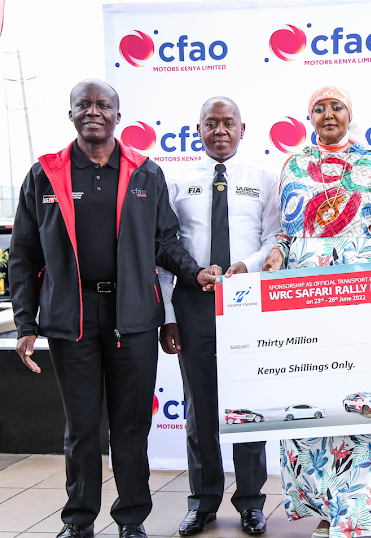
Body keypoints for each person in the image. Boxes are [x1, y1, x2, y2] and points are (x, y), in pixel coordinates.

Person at [9, 79, 218, 538]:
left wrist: (195, 272)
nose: (93, 111)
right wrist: (25, 321)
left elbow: (166, 242)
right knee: (81, 429)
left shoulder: (145, 172)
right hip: (72, 318)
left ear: (118, 116)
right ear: (71, 115)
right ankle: (78, 521)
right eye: (83, 104)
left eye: (103, 105)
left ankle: (131, 521)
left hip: (134, 317)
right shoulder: (44, 174)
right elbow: (24, 254)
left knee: (131, 427)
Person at [262, 86, 371, 538]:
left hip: (364, 296)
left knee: (368, 401)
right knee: (316, 403)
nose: (328, 114)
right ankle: (329, 509)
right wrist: (278, 256)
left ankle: (366, 511)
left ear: (350, 113)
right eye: (318, 109)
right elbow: (287, 232)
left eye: (336, 107)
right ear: (309, 118)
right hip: (306, 302)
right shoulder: (293, 165)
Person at [158, 96, 279, 536]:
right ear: (199, 129)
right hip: (194, 305)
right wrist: (169, 316)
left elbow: (274, 236)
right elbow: (164, 253)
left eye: (229, 123)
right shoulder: (175, 182)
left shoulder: (264, 180)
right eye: (212, 123)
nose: (221, 130)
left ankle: (250, 502)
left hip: (248, 304)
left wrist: (248, 263)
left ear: (243, 130)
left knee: (248, 409)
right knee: (200, 411)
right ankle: (203, 501)